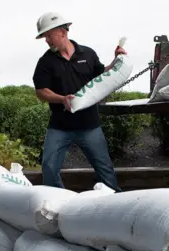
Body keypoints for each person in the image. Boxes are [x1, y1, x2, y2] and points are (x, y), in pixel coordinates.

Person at [32, 12, 126, 192]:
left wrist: (116, 60)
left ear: (62, 32)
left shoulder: (88, 54)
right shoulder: (45, 62)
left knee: (105, 169)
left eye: (49, 36)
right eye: (44, 37)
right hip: (60, 126)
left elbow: (103, 75)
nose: (47, 40)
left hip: (90, 126)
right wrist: (62, 99)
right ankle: (56, 203)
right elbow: (41, 92)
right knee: (49, 167)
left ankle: (114, 204)